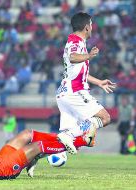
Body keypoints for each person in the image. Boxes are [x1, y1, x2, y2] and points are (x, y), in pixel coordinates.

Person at [55, 12, 116, 154]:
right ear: (87, 27)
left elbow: (81, 73)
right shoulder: (75, 41)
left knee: (65, 142)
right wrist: (89, 55)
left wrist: (99, 82)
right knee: (104, 117)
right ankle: (68, 135)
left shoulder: (77, 42)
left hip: (65, 93)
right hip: (75, 91)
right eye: (92, 24)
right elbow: (72, 57)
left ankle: (35, 155)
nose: (92, 28)